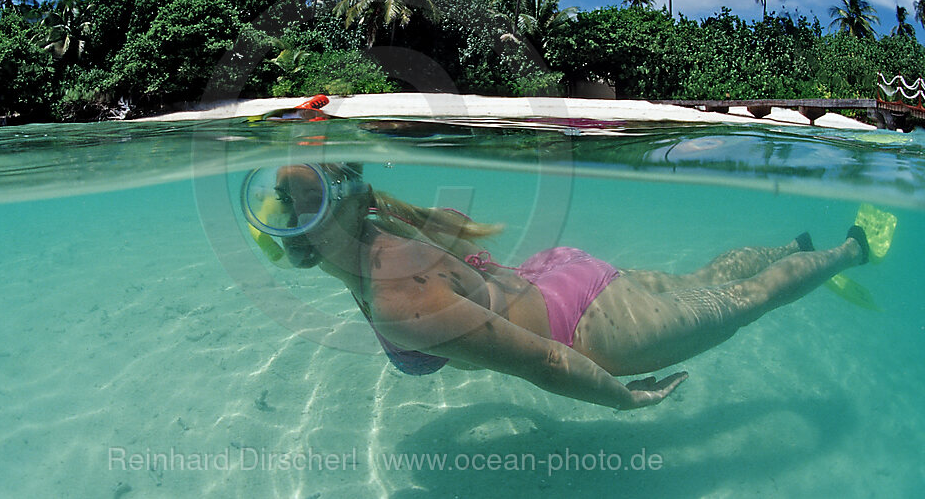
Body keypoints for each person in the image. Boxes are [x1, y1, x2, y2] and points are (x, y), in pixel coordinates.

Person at [241, 163, 896, 410]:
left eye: (308, 204)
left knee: (741, 302)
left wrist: (622, 401)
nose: (290, 220)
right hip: (551, 274)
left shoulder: (396, 294)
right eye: (282, 201)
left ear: (344, 207)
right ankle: (793, 248)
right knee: (703, 283)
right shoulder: (374, 228)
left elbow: (548, 362)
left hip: (584, 322)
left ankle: (850, 249)